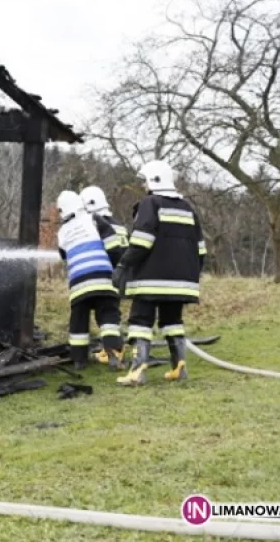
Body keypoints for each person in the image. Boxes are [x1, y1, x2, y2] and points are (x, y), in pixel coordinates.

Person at [112, 160, 207, 387]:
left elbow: (142, 241)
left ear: (153, 180)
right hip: (182, 282)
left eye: (145, 180)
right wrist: (189, 274)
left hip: (150, 280)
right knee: (173, 322)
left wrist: (123, 265)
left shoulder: (150, 203)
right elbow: (201, 249)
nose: (144, 185)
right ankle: (179, 367)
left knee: (140, 321)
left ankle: (137, 370)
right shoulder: (187, 208)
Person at [56, 190, 123, 370]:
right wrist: (115, 268)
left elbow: (64, 256)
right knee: (108, 316)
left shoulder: (62, 232)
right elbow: (113, 246)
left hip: (78, 284)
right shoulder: (94, 219)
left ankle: (79, 361)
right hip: (103, 279)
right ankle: (113, 355)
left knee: (78, 321)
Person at [79, 185, 129, 366]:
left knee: (102, 316)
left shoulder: (91, 226)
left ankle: (112, 352)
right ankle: (112, 349)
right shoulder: (120, 226)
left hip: (96, 278)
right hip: (118, 279)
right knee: (110, 316)